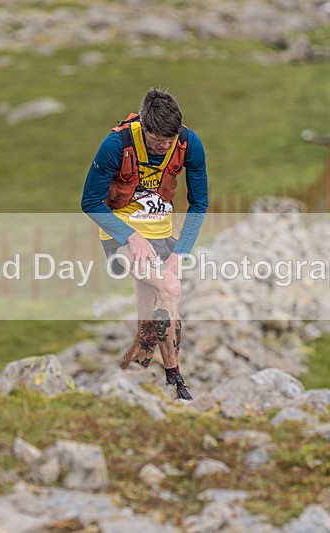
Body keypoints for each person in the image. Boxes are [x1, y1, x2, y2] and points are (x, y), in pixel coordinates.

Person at [81, 87, 208, 401]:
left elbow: (199, 203)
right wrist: (131, 237)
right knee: (171, 289)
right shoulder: (116, 145)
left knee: (148, 336)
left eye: (170, 140)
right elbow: (89, 202)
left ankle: (117, 391)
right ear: (144, 128)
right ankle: (176, 382)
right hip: (120, 237)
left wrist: (180, 252)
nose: (165, 147)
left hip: (163, 237)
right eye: (157, 141)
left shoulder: (189, 143)